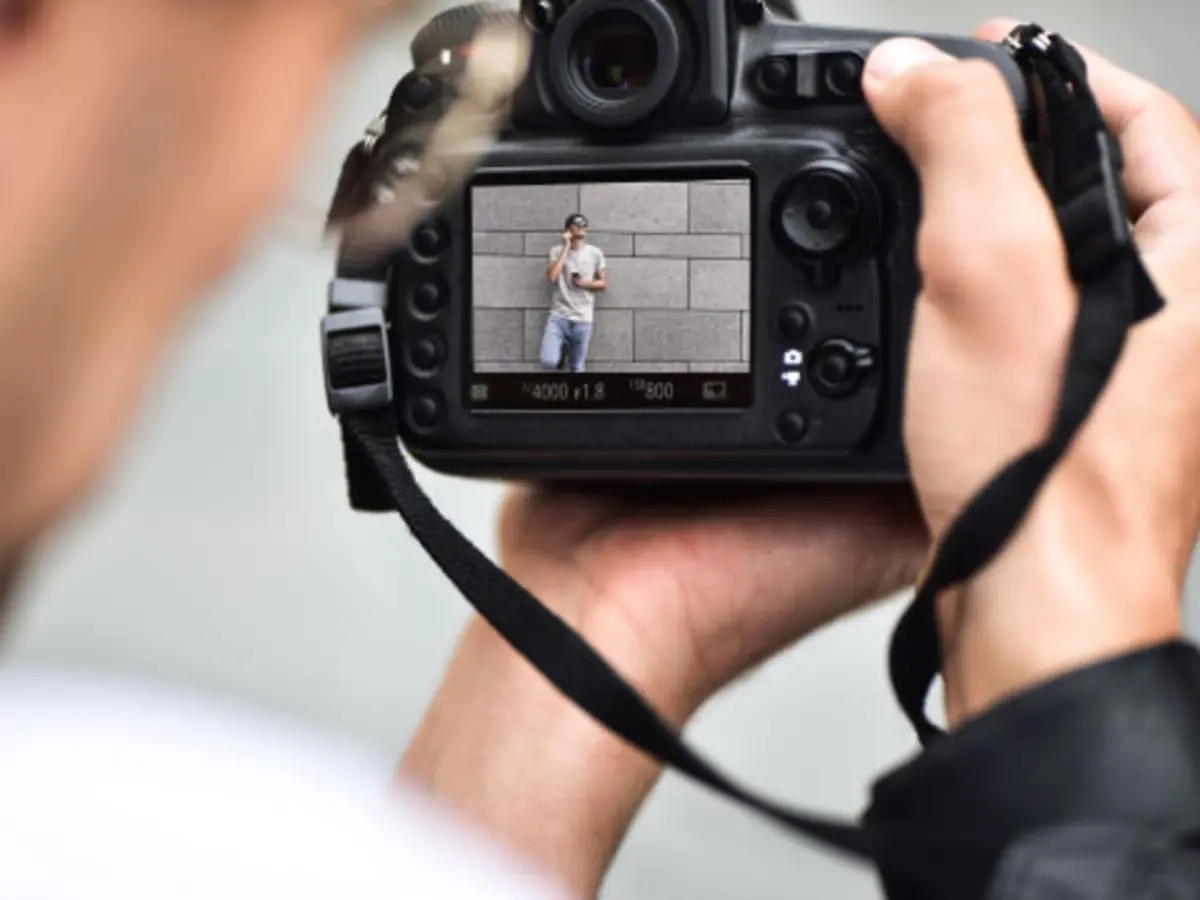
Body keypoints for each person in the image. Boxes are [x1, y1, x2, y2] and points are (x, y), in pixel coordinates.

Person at [1, 3, 1199, 898]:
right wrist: (1063, 615)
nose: (259, 193)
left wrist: (598, 622)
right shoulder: (111, 825)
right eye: (314, 51)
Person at [541, 213, 607, 372]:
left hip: (583, 318)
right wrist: (566, 247)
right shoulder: (557, 251)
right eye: (576, 225)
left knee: (577, 367)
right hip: (559, 316)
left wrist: (585, 283)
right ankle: (560, 351)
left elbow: (603, 283)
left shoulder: (595, 253)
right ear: (568, 229)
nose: (581, 228)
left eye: (584, 225)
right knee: (549, 361)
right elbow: (552, 277)